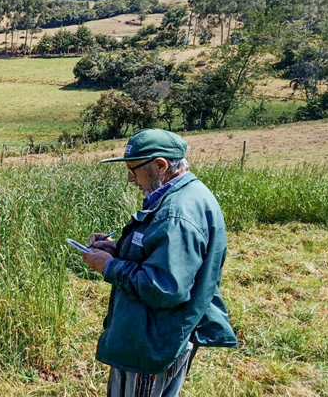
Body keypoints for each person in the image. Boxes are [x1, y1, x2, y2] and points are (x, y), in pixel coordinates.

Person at [81, 128, 236, 397]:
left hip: (152, 341)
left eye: (133, 169)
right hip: (156, 334)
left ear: (160, 166)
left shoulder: (176, 214)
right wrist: (118, 250)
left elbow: (165, 287)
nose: (130, 178)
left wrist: (109, 266)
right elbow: (162, 257)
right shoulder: (185, 196)